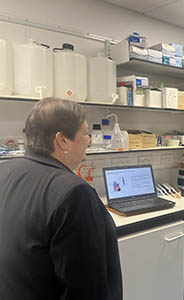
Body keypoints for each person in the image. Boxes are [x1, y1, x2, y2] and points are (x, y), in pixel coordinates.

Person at [0, 98, 123, 300]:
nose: (90, 139)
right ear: (62, 140)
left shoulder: (4, 170)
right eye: (85, 133)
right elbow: (87, 289)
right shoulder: (73, 193)